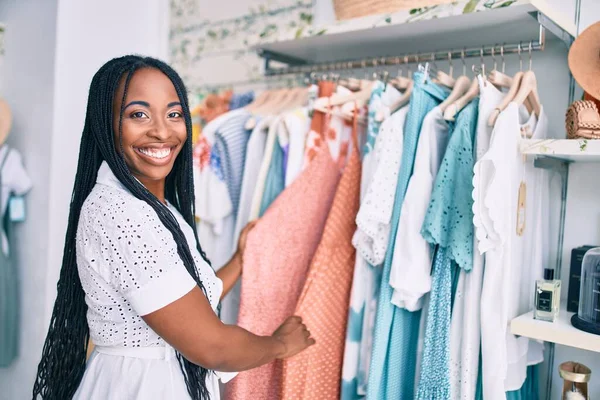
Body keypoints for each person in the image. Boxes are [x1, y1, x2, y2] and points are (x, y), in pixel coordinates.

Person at [32, 55, 314, 400]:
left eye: (174, 114)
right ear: (106, 124)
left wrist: (240, 259)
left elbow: (182, 300)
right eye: (138, 114)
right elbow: (212, 346)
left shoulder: (152, 205)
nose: (162, 131)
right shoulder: (122, 215)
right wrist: (280, 344)